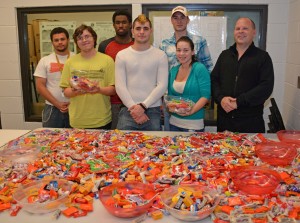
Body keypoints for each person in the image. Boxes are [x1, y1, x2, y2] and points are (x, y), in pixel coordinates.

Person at [211, 17, 274, 133]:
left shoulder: (262, 57)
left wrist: (239, 102)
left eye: (245, 28)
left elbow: (266, 87)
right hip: (225, 122)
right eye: (237, 28)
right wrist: (221, 98)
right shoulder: (225, 55)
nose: (241, 31)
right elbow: (214, 80)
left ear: (254, 32)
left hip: (250, 122)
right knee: (223, 151)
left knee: (251, 151)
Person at [160, 5, 213, 131]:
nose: (179, 21)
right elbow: (162, 74)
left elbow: (209, 68)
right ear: (171, 21)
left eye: (182, 18)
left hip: (194, 107)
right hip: (172, 104)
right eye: (175, 18)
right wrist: (164, 101)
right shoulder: (164, 44)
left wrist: (201, 96)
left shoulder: (199, 41)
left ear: (188, 20)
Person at [115, 14, 168, 131]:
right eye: (138, 28)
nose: (142, 32)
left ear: (151, 31)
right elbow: (120, 86)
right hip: (128, 110)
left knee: (154, 148)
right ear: (132, 31)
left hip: (152, 111)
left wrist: (143, 106)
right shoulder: (122, 55)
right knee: (122, 147)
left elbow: (162, 85)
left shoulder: (160, 55)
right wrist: (135, 109)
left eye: (145, 28)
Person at [60, 24, 115, 129]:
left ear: (94, 38)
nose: (84, 40)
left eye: (87, 36)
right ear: (76, 43)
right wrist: (75, 91)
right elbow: (65, 91)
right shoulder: (70, 62)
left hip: (102, 120)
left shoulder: (107, 60)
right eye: (80, 38)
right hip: (77, 121)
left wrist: (98, 89)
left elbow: (113, 90)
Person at [98, 10, 134, 130]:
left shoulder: (137, 44)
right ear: (113, 25)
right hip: (111, 102)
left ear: (130, 24)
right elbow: (101, 73)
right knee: (113, 138)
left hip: (133, 101)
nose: (121, 25)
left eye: (124, 22)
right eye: (117, 22)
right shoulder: (104, 46)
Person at [167, 36, 210, 132]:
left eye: (186, 50)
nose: (181, 53)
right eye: (179, 50)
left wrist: (191, 111)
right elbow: (170, 97)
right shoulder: (173, 71)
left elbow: (205, 96)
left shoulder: (199, 69)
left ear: (192, 52)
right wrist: (170, 106)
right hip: (174, 123)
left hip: (193, 125)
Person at [34, 27, 74, 128]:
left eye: (62, 39)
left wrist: (71, 103)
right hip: (52, 108)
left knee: (76, 140)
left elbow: (83, 85)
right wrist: (57, 103)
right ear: (52, 42)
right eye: (56, 40)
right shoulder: (45, 60)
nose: (60, 42)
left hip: (74, 107)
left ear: (68, 40)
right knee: (50, 140)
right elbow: (40, 86)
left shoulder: (77, 59)